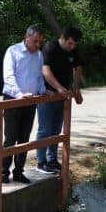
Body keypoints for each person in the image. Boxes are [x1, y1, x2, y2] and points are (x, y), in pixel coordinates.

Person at [0, 25, 46, 184]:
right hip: (13, 99)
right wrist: (19, 94)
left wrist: (42, 91)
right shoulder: (13, 51)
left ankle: (18, 171)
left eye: (40, 42)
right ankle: (3, 172)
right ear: (26, 37)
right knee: (11, 137)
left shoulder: (39, 55)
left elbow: (39, 76)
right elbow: (8, 76)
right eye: (35, 41)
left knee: (24, 138)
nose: (37, 45)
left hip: (31, 101)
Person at [36, 26, 84, 175]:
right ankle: (41, 161)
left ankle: (52, 160)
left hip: (63, 97)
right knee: (45, 129)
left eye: (74, 44)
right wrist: (59, 88)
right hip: (47, 94)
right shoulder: (50, 48)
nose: (71, 47)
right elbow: (45, 70)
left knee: (57, 129)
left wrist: (75, 87)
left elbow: (77, 68)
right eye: (69, 43)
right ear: (63, 37)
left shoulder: (73, 51)